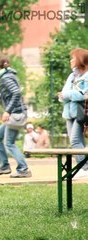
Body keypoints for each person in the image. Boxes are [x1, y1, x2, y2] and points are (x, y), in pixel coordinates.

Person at [0, 55, 32, 178]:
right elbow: (8, 94)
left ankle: (23, 169)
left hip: (16, 114)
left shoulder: (6, 78)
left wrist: (7, 111)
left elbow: (16, 93)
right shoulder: (9, 76)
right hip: (15, 113)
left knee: (9, 143)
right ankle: (4, 166)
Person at [58, 48, 88, 179]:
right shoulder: (72, 75)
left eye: (73, 58)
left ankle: (84, 168)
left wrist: (66, 95)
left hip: (81, 112)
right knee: (76, 141)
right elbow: (64, 93)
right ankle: (85, 167)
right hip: (69, 112)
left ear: (80, 60)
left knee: (75, 140)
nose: (71, 61)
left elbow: (83, 95)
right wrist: (65, 95)